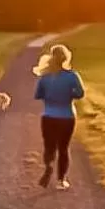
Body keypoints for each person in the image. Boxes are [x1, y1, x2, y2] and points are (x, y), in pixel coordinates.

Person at [32, 43, 85, 190]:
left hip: (49, 117)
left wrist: (49, 96)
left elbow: (37, 95)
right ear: (66, 58)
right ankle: (61, 180)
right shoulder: (72, 76)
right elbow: (80, 94)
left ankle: (49, 166)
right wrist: (69, 94)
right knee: (63, 148)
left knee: (49, 147)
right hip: (67, 117)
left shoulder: (45, 77)